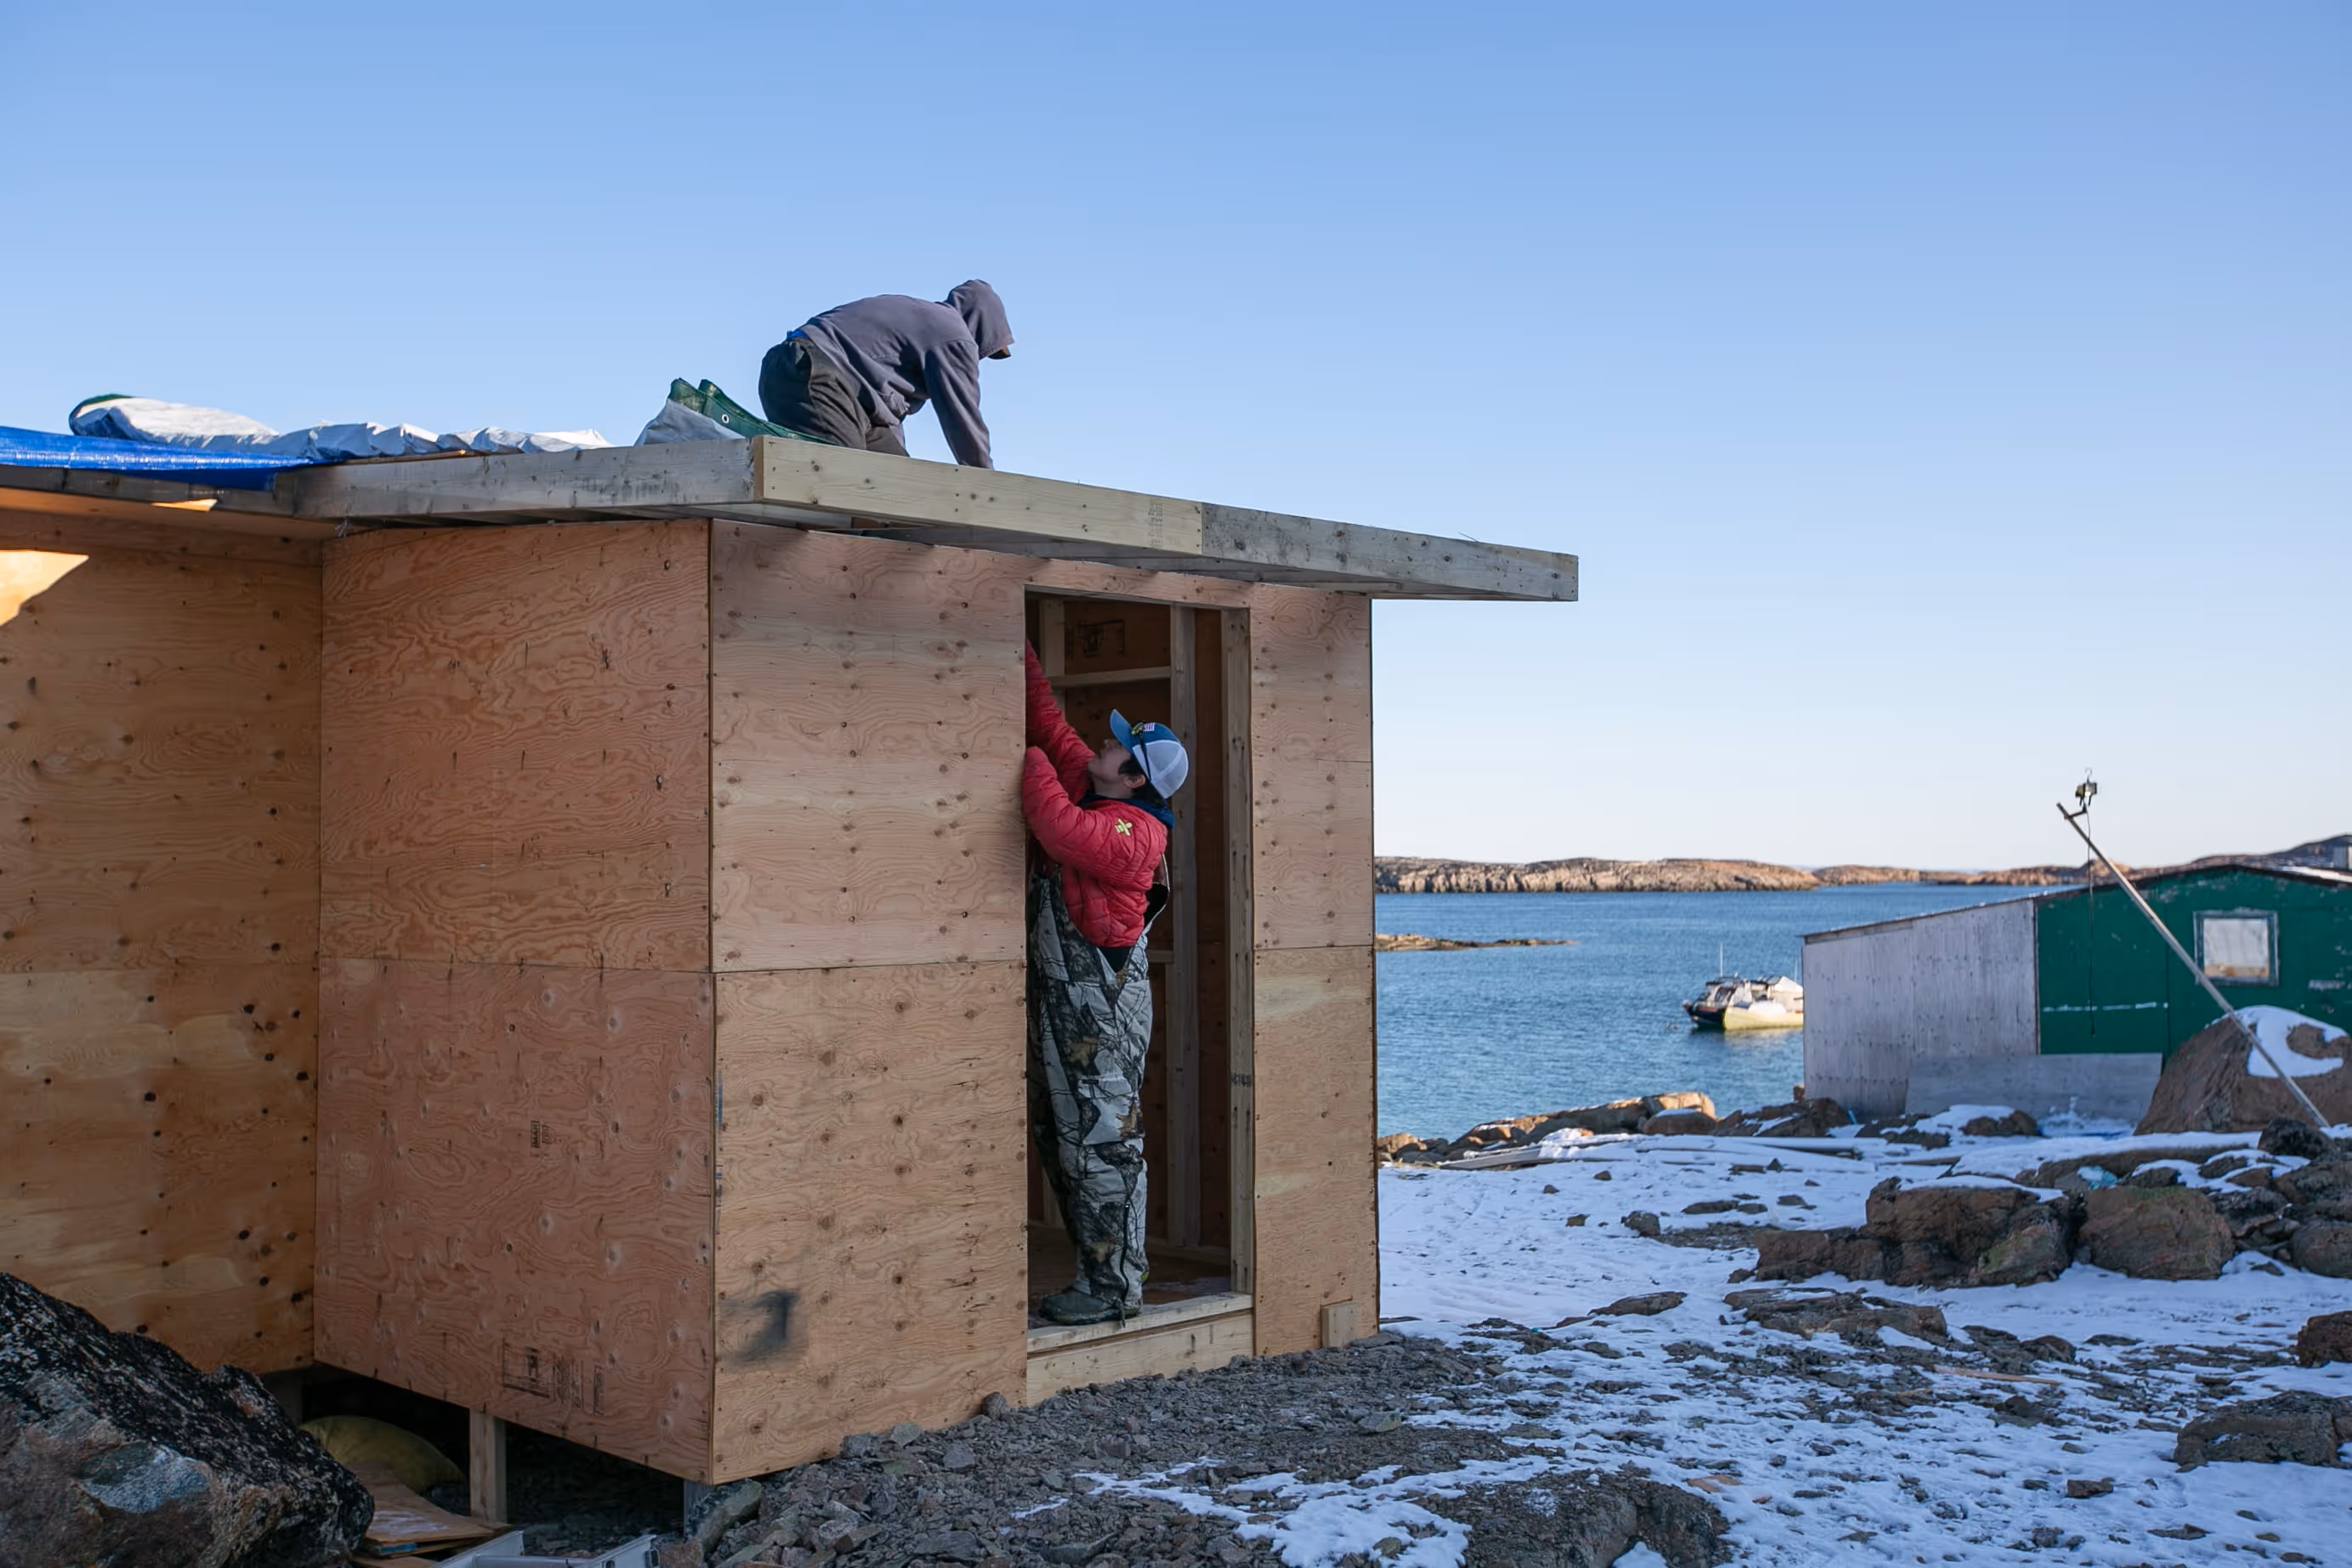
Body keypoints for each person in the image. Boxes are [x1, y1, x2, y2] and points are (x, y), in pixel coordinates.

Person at [1020, 640, 1190, 1325]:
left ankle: (1115, 1289)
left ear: (1134, 780)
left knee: (1103, 1144)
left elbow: (1056, 826)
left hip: (1102, 1014)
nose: (1102, 744)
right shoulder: (1101, 789)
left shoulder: (1135, 830)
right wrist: (1016, 647)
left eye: (1119, 748)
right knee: (1064, 1138)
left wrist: (1026, 761)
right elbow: (1050, 722)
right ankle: (1098, 1278)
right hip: (1069, 1006)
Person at [757, 281, 1013, 469]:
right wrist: (988, 487)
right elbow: (963, 419)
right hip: (811, 373)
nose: (977, 358)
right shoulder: (954, 336)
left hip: (831, 385)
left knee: (896, 489)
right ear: (981, 326)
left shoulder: (924, 324)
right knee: (846, 485)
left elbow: (889, 424)